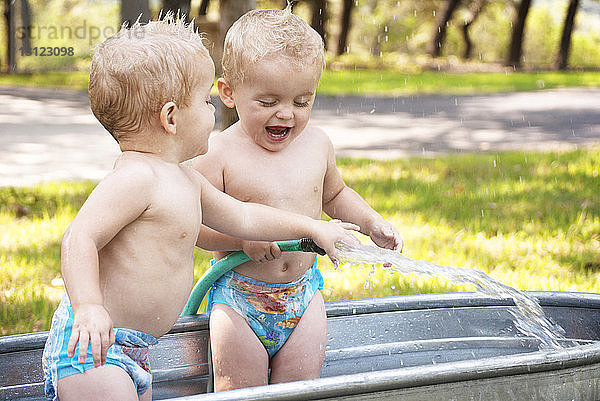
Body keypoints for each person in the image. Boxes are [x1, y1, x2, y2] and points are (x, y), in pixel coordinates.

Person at [41, 15, 358, 401]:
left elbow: (244, 216)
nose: (213, 112)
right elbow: (80, 236)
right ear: (171, 117)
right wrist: (88, 306)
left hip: (136, 349)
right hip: (94, 346)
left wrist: (311, 227)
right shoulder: (137, 178)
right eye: (205, 101)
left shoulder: (186, 180)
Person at [193, 7, 403, 392]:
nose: (286, 114)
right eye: (268, 101)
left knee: (301, 389)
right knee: (241, 392)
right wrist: (239, 240)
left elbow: (335, 194)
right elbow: (194, 226)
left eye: (302, 101)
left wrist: (373, 222)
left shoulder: (317, 145)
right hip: (240, 299)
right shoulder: (218, 153)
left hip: (304, 296)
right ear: (228, 92)